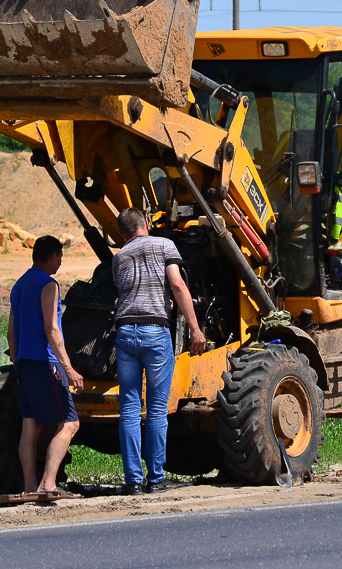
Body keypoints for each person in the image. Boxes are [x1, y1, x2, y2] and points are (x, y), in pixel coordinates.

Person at [112, 208, 207, 495]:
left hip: (126, 332)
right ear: (147, 224)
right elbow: (177, 284)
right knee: (155, 409)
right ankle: (155, 478)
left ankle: (133, 481)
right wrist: (195, 328)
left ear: (123, 233)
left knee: (129, 408)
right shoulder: (164, 245)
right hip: (155, 332)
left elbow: (126, 291)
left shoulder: (119, 257)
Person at [7, 235, 83, 499]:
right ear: (52, 256)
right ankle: (48, 484)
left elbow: (11, 333)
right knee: (70, 424)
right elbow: (52, 328)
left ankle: (29, 485)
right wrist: (69, 368)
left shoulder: (19, 285)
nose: (59, 263)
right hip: (46, 363)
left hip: (25, 362)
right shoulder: (48, 284)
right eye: (59, 257)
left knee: (31, 426)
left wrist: (18, 365)